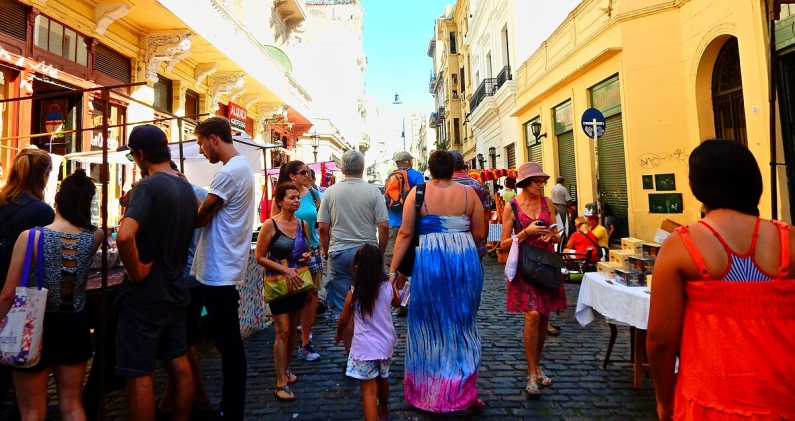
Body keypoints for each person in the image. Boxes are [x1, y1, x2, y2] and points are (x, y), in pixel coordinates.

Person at [647, 139, 795, 421]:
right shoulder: (790, 240)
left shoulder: (681, 246)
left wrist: (664, 401)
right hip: (785, 397)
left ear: (694, 186)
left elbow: (660, 340)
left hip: (710, 400)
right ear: (755, 182)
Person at [0, 169, 102, 421]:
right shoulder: (95, 236)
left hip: (33, 326)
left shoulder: (31, 237)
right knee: (72, 405)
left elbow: (7, 294)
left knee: (32, 410)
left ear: (57, 198)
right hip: (75, 324)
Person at [389, 150, 486, 412]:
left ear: (429, 170)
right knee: (463, 324)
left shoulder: (417, 193)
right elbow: (480, 233)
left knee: (428, 324)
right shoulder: (469, 194)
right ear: (454, 168)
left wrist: (394, 268)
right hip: (464, 260)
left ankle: (428, 391)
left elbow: (406, 234)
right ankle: (463, 389)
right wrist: (458, 241)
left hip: (430, 260)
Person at [115, 125, 198, 421]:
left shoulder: (148, 186)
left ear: (140, 155)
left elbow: (124, 236)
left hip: (146, 294)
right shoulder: (184, 184)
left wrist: (136, 271)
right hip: (175, 287)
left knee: (139, 372)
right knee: (179, 362)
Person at [192, 116, 255, 421]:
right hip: (219, 269)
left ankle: (232, 412)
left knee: (228, 345)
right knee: (224, 343)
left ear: (214, 138)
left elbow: (200, 219)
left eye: (201, 143)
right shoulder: (240, 168)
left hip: (218, 271)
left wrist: (187, 193)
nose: (202, 150)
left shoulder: (229, 173)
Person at [498, 161, 564, 396]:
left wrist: (551, 237)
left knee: (544, 315)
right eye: (537, 181)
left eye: (543, 181)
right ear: (524, 183)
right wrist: (527, 232)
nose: (541, 185)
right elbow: (503, 243)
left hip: (546, 264)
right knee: (533, 314)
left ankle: (537, 366)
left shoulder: (547, 203)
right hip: (525, 266)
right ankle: (530, 372)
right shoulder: (512, 207)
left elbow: (557, 234)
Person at [158, 161, 213, 417]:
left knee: (181, 344)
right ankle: (176, 400)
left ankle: (199, 399)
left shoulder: (178, 195)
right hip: (195, 274)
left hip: (182, 276)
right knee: (182, 341)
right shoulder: (200, 193)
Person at [256, 182, 311, 401]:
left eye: (298, 197)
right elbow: (260, 257)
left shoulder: (303, 224)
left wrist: (305, 257)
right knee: (283, 331)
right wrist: (285, 270)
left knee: (293, 331)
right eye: (291, 197)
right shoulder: (270, 225)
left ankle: (286, 369)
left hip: (298, 283)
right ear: (279, 201)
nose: (296, 201)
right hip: (277, 282)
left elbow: (304, 250)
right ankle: (280, 381)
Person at [334, 244, 400, 421]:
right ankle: (384, 411)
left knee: (369, 392)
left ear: (357, 266)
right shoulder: (387, 287)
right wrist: (395, 282)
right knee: (383, 378)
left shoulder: (354, 294)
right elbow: (397, 303)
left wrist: (339, 334)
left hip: (364, 348)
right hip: (385, 345)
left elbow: (343, 320)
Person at [318, 150, 389, 313]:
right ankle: (369, 335)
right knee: (371, 300)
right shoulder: (374, 191)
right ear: (362, 168)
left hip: (339, 252)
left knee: (345, 306)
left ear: (342, 169)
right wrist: (380, 252)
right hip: (367, 252)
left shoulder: (330, 192)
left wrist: (326, 252)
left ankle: (350, 338)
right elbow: (383, 226)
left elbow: (323, 228)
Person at [272, 161, 323, 362]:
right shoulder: (282, 196)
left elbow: (319, 220)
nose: (308, 175)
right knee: (294, 295)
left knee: (311, 294)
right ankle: (289, 335)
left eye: (309, 172)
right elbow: (273, 225)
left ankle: (305, 340)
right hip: (289, 252)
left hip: (311, 249)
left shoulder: (313, 194)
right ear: (292, 176)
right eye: (304, 172)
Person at [383, 151, 424, 309]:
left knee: (397, 261)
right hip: (412, 223)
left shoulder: (389, 176)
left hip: (394, 223)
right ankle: (417, 297)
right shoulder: (416, 176)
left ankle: (401, 302)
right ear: (409, 161)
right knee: (416, 260)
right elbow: (422, 198)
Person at [450, 150, 490, 258]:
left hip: (448, 246)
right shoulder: (477, 185)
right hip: (474, 243)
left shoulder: (441, 187)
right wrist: (483, 241)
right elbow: (485, 217)